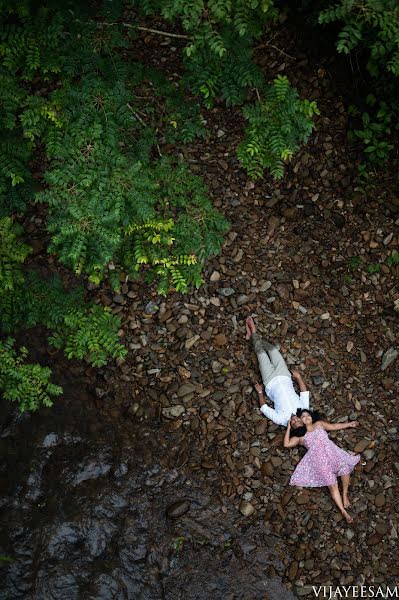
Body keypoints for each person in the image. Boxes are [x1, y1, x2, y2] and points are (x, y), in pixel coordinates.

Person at [284, 409, 360, 523]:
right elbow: (286, 444)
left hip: (333, 454)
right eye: (303, 417)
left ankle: (345, 495)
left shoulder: (319, 424)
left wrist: (349, 424)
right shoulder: (300, 437)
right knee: (332, 485)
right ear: (300, 421)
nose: (306, 417)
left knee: (344, 469)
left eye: (308, 415)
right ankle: (343, 512)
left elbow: (334, 426)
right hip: (319, 462)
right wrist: (289, 428)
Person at [245, 316, 310, 428]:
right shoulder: (304, 411)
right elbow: (304, 393)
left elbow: (264, 409)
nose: (295, 419)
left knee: (261, 354)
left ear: (290, 427)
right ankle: (252, 338)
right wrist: (298, 377)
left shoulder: (280, 420)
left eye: (293, 423)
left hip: (270, 380)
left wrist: (260, 392)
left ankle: (253, 332)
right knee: (273, 350)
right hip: (284, 375)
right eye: (298, 421)